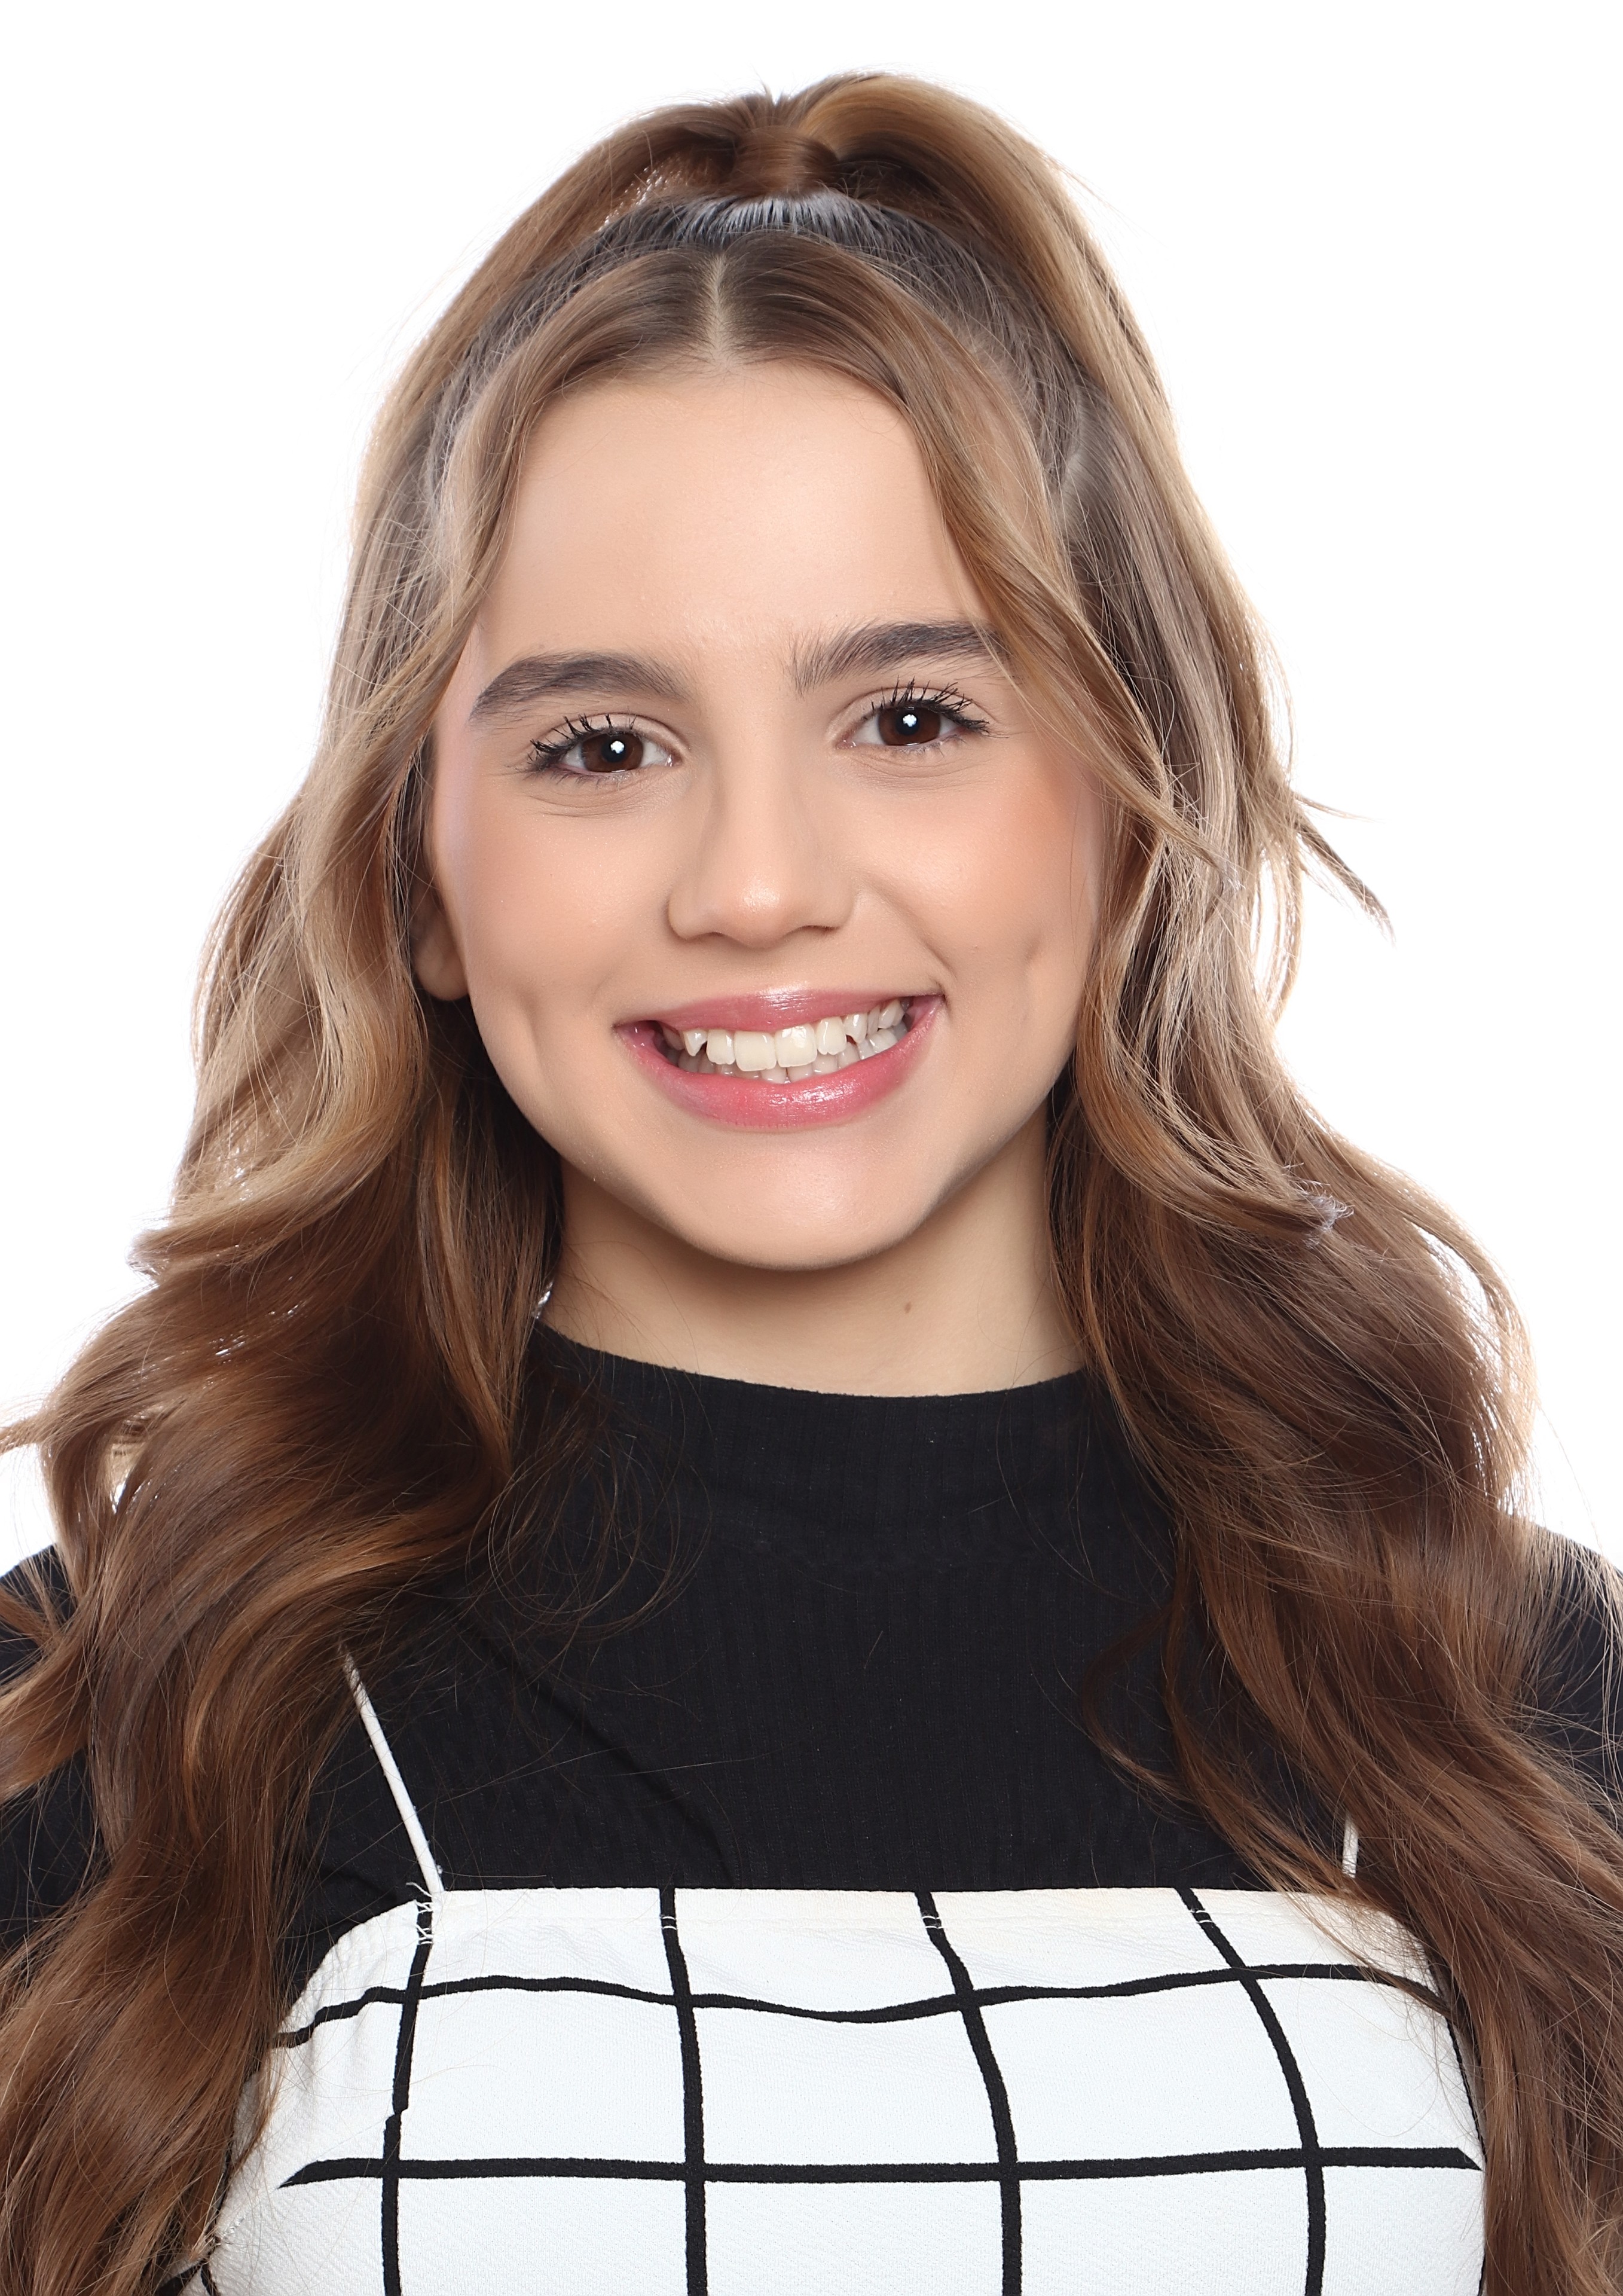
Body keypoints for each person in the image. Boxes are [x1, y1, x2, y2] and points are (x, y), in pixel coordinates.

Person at [1, 72, 1619, 2296]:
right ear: (420, 877)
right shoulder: (110, 1724)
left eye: (912, 719)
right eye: (600, 749)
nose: (757, 886)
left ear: (1132, 804)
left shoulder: (1509, 1714)